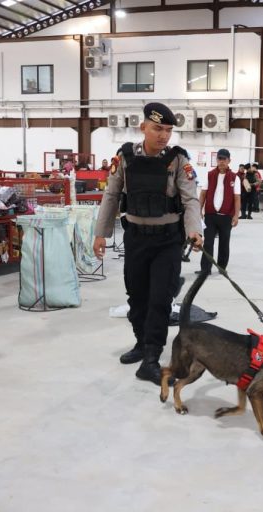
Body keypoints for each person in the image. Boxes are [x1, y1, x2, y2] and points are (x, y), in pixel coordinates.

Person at [93, 103, 203, 385]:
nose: (164, 136)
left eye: (168, 130)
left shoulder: (178, 159)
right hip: (136, 238)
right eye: (157, 129)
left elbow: (190, 199)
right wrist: (101, 233)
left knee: (159, 299)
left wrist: (194, 231)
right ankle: (141, 343)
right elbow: (111, 195)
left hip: (168, 240)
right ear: (143, 128)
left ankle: (152, 357)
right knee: (136, 296)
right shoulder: (126, 157)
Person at [198, 148, 240, 275]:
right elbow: (203, 194)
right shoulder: (210, 175)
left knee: (224, 242)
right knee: (208, 243)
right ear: (216, 160)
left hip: (226, 216)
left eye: (224, 159)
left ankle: (222, 267)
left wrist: (236, 215)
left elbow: (237, 198)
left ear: (229, 161)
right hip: (210, 215)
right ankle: (205, 269)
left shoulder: (234, 177)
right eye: (219, 159)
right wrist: (199, 210)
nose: (221, 162)